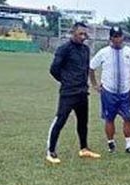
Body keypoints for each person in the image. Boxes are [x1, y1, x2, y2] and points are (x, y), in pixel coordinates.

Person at [46, 22, 100, 164]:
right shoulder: (64, 49)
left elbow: (86, 69)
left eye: (85, 34)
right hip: (68, 93)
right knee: (60, 120)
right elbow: (54, 69)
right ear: (73, 33)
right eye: (80, 34)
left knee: (83, 122)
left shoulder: (86, 50)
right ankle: (51, 152)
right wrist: (66, 81)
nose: (83, 37)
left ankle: (84, 148)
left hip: (82, 92)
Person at [89, 26, 130, 154]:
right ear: (110, 38)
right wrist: (95, 85)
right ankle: (110, 142)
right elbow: (91, 68)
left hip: (125, 92)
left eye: (119, 36)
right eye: (115, 36)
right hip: (108, 92)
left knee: (128, 118)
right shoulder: (103, 52)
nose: (118, 39)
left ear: (123, 37)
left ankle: (129, 144)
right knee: (109, 118)